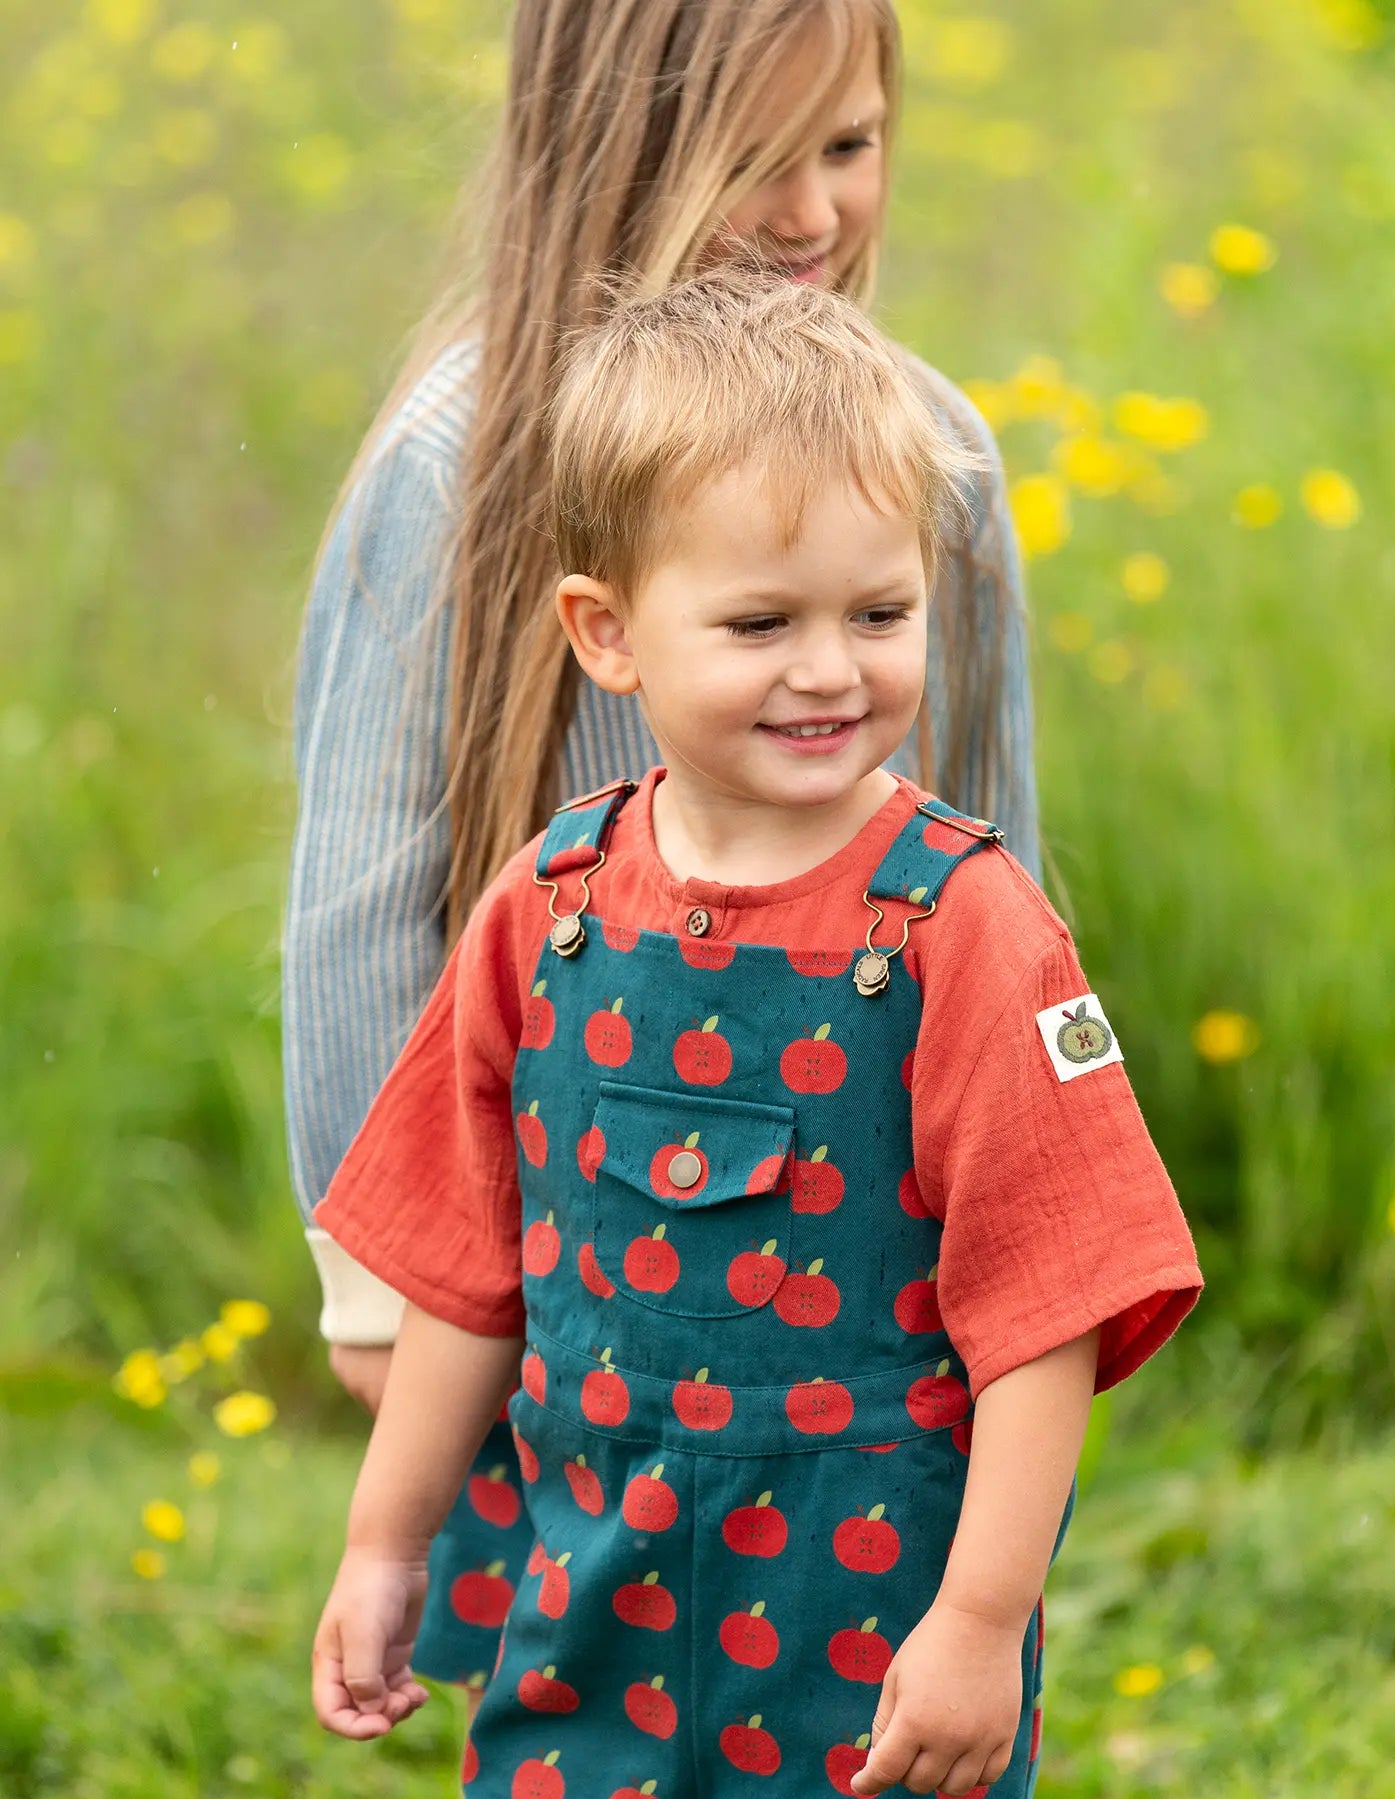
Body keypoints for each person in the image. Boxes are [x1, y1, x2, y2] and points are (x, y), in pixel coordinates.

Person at [309, 271, 1202, 1799]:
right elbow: (466, 1272)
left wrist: (982, 1622)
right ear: (608, 634)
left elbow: (1048, 1307)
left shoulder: (964, 927)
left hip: (867, 1627)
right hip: (589, 1597)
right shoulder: (551, 910)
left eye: (880, 612)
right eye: (760, 621)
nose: (830, 670)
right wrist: (387, 1546)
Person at [285, 0, 1042, 1703]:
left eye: (845, 146)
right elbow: (359, 891)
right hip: (578, 1232)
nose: (809, 211)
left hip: (846, 1266)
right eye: (749, 159)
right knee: (585, 1665)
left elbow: (999, 829)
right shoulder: (461, 453)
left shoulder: (927, 453)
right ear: (607, 147)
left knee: (837, 1693)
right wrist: (375, 1277)